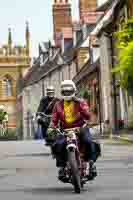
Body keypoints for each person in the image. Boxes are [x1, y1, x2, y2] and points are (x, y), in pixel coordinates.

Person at [47, 80, 100, 181]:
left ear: (74, 91)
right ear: (62, 92)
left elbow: (87, 115)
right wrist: (51, 127)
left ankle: (91, 163)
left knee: (89, 141)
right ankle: (62, 167)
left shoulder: (80, 102)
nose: (67, 93)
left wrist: (86, 113)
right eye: (65, 91)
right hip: (65, 130)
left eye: (69, 91)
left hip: (80, 128)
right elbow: (54, 119)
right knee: (58, 145)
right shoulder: (58, 105)